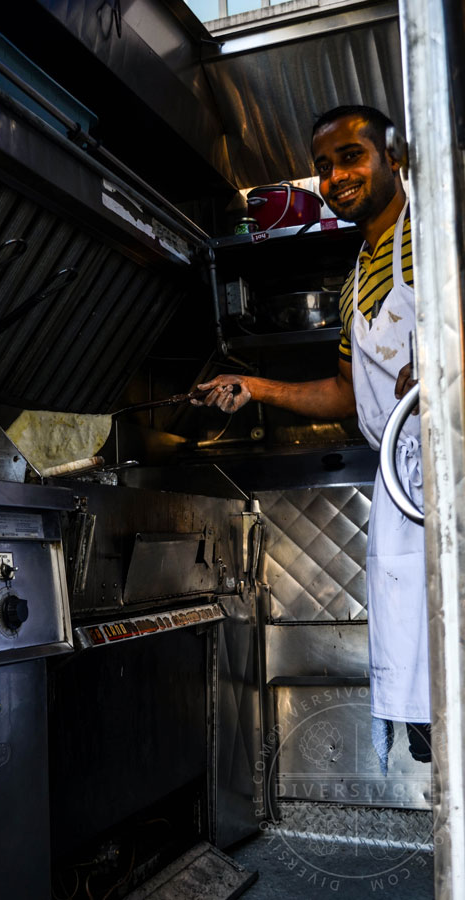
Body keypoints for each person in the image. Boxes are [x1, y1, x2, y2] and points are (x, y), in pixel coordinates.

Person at [193, 105, 431, 768]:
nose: (335, 176)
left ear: (396, 158)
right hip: (400, 486)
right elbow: (347, 395)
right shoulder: (357, 274)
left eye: (351, 156)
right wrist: (257, 388)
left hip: (447, 471)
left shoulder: (437, 236)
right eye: (324, 166)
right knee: (429, 717)